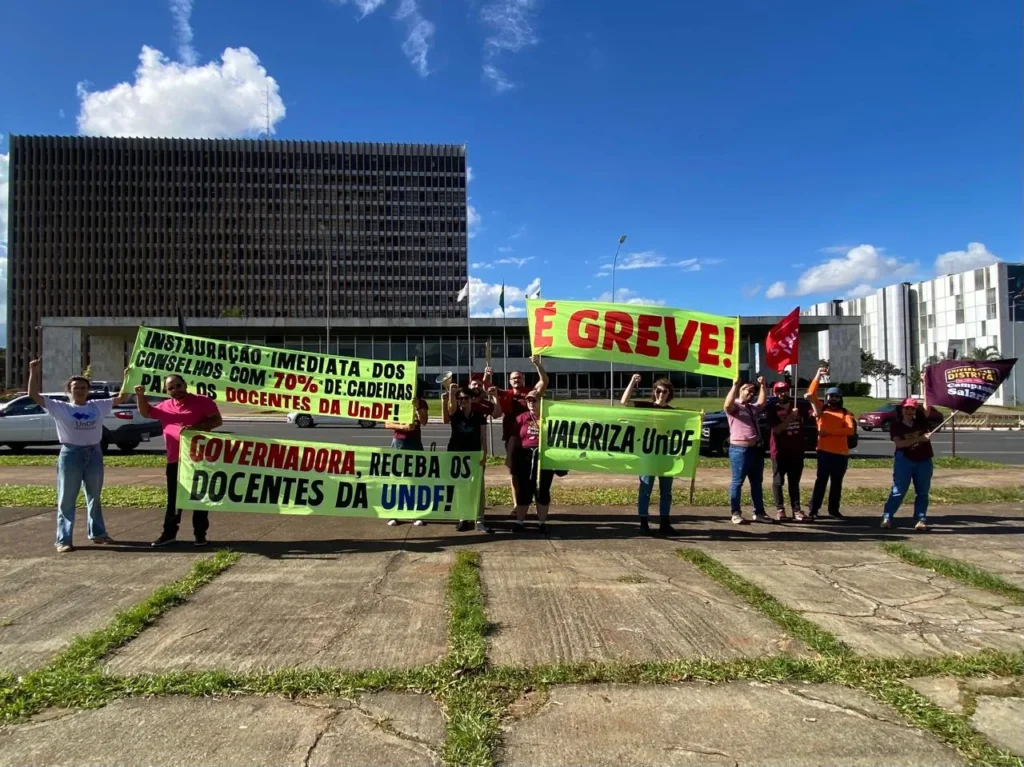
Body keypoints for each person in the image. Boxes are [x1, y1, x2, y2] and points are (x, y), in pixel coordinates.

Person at [27, 359, 129, 553]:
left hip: (94, 453)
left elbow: (123, 397)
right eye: (76, 387)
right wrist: (34, 372)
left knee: (94, 496)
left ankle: (98, 534)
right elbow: (33, 395)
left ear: (88, 390)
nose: (80, 390)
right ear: (69, 390)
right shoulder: (60, 407)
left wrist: (127, 377)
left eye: (83, 387)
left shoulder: (98, 405)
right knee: (67, 499)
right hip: (71, 454)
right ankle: (63, 540)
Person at [137, 375, 223, 547]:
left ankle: (200, 535)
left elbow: (217, 421)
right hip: (175, 460)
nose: (176, 390)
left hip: (199, 459)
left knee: (199, 497)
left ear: (185, 384)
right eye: (171, 388)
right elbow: (146, 411)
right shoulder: (165, 406)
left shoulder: (202, 401)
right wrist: (140, 395)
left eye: (178, 385)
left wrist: (195, 428)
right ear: (167, 391)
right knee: (174, 499)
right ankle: (169, 534)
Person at [621, 374, 677, 534]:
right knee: (645, 488)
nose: (661, 394)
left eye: (664, 392)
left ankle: (664, 523)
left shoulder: (674, 413)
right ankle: (644, 522)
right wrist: (632, 381)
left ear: (669, 394)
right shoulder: (646, 406)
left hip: (666, 455)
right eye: (658, 391)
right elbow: (624, 402)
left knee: (666, 491)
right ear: (654, 392)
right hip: (648, 454)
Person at [495, 356, 549, 514]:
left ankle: (534, 501)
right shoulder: (506, 394)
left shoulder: (531, 393)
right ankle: (517, 504)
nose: (516, 380)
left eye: (518, 377)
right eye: (513, 378)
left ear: (523, 378)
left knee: (535, 472)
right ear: (509, 381)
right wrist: (487, 377)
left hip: (532, 438)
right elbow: (486, 388)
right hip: (513, 438)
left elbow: (544, 381)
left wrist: (538, 364)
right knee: (514, 473)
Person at [443, 382, 498, 533]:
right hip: (457, 456)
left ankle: (479, 520)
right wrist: (449, 396)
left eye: (466, 398)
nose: (463, 401)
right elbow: (445, 418)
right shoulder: (455, 413)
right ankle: (463, 517)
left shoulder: (479, 416)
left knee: (477, 489)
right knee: (460, 488)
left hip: (474, 456)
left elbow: (483, 437)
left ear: (471, 399)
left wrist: (484, 454)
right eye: (460, 399)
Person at [805, 367, 856, 520]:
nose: (833, 399)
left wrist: (829, 432)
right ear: (826, 398)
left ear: (840, 398)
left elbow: (850, 431)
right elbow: (811, 394)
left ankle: (834, 510)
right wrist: (818, 375)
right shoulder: (821, 409)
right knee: (821, 481)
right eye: (830, 396)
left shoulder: (846, 413)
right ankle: (813, 509)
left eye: (836, 396)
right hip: (824, 452)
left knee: (836, 483)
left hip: (841, 454)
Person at [881, 386, 934, 532]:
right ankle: (887, 517)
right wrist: (920, 438)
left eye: (912, 409)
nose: (909, 411)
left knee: (922, 491)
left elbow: (928, 405)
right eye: (906, 408)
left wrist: (925, 384)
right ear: (902, 410)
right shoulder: (896, 425)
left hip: (924, 460)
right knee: (898, 490)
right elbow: (900, 443)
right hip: (904, 460)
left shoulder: (921, 422)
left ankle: (920, 519)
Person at [384, 383, 430, 527]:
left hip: (415, 442)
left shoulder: (421, 402)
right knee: (397, 478)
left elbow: (424, 421)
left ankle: (415, 512)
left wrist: (417, 408)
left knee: (415, 479)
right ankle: (395, 513)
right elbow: (387, 423)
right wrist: (402, 427)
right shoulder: (396, 401)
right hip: (399, 442)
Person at [724, 376, 769, 524]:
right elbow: (727, 406)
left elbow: (762, 403)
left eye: (753, 392)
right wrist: (734, 386)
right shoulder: (736, 406)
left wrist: (762, 385)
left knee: (756, 482)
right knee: (738, 482)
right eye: (748, 391)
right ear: (740, 391)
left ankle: (759, 512)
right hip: (740, 450)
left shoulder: (752, 408)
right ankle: (735, 512)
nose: (751, 394)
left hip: (756, 450)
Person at [764, 380, 810, 521]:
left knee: (794, 482)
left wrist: (811, 398)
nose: (782, 393)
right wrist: (791, 417)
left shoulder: (798, 405)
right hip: (779, 451)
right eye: (779, 391)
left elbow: (815, 412)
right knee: (778, 481)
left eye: (784, 390)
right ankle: (780, 509)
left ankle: (796, 510)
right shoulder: (772, 408)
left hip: (796, 450)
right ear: (774, 393)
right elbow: (777, 429)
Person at [510, 392, 554, 533]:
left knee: (542, 491)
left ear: (541, 401)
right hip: (525, 457)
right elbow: (514, 439)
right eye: (528, 401)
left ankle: (542, 523)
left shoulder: (550, 419)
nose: (531, 403)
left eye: (534, 400)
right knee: (523, 490)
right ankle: (519, 521)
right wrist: (511, 459)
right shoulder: (521, 418)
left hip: (545, 458)